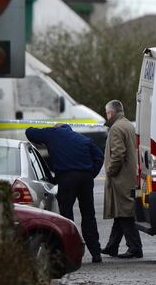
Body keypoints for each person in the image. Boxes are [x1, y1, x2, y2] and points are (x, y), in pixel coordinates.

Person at [25, 124, 105, 263]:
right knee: (88, 215)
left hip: (66, 178)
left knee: (66, 216)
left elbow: (29, 132)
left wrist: (47, 132)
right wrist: (92, 173)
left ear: (58, 128)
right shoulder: (83, 139)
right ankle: (96, 253)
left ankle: (69, 253)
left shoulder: (53, 133)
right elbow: (99, 155)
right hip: (85, 178)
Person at [100, 100, 143, 259]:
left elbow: (118, 154)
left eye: (107, 112)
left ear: (111, 112)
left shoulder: (116, 128)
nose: (106, 115)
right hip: (129, 175)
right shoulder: (127, 125)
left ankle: (135, 248)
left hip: (120, 178)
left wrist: (110, 171)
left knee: (125, 213)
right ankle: (112, 247)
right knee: (121, 213)